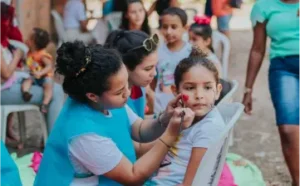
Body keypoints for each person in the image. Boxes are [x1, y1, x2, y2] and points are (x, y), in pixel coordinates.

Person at [34, 41, 195, 185]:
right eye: (119, 91)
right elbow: (133, 176)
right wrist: (170, 135)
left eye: (127, 84)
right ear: (92, 96)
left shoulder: (105, 101)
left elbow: (139, 129)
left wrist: (165, 118)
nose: (127, 92)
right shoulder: (83, 134)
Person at [146, 48, 225, 186]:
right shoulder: (182, 114)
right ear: (175, 91)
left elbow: (191, 183)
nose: (199, 95)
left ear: (217, 91)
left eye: (207, 87)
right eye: (190, 88)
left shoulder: (208, 128)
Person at [243, 0, 300, 184]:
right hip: (284, 68)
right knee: (288, 128)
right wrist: (248, 89)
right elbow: (257, 49)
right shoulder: (263, 7)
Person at [0, 2, 64, 134]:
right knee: (56, 91)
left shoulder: (4, 41)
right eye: (7, 20)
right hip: (4, 90)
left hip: (11, 83)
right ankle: (54, 141)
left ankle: (53, 138)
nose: (9, 24)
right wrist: (17, 56)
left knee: (53, 87)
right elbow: (6, 73)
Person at [105, 30, 158, 118]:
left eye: (155, 66)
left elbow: (140, 119)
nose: (154, 73)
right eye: (148, 69)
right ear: (124, 66)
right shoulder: (112, 99)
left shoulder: (139, 87)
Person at [152, 7, 192, 113]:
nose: (168, 31)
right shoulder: (157, 52)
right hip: (161, 105)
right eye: (165, 27)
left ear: (185, 28)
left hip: (185, 106)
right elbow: (154, 78)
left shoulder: (190, 52)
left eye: (174, 27)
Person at [22, 28, 54, 113]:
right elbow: (28, 63)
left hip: (44, 77)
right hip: (33, 76)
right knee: (27, 81)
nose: (26, 39)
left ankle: (45, 104)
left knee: (48, 87)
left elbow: (49, 66)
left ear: (33, 43)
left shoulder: (42, 55)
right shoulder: (29, 52)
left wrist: (40, 72)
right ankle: (26, 93)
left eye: (28, 38)